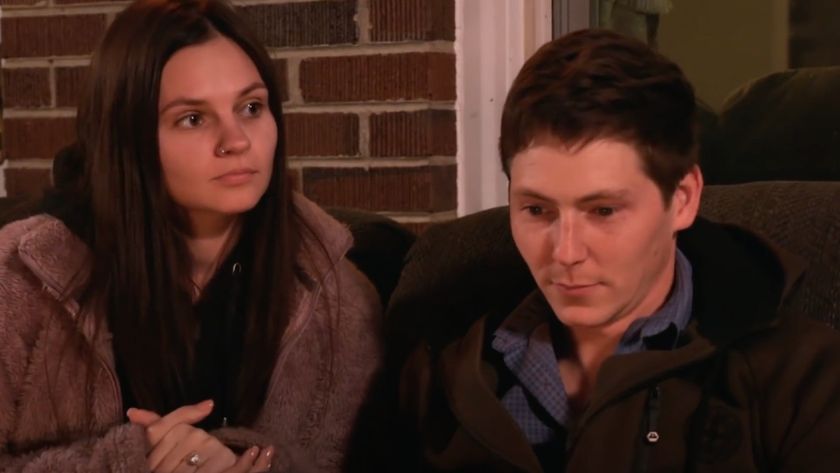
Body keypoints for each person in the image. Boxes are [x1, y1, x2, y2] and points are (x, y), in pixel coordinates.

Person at [396, 29, 840, 472]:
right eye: (536, 210)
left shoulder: (803, 381)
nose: (565, 252)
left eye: (604, 210)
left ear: (682, 199)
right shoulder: (441, 371)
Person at [0, 1, 382, 472]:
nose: (236, 140)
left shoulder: (340, 301)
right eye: (193, 119)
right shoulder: (18, 280)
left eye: (251, 107)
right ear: (129, 137)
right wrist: (125, 463)